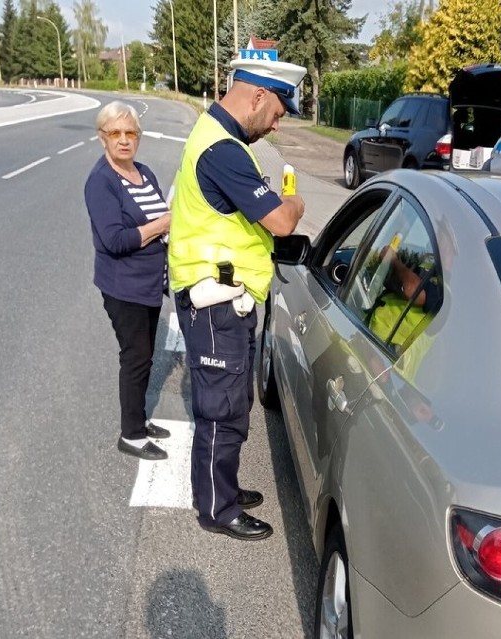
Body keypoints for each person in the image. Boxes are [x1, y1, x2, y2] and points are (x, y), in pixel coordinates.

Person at [168, 58, 307, 541]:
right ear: (256, 96)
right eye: (277, 110)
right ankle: (216, 508)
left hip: (226, 299)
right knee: (220, 407)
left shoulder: (220, 138)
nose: (278, 121)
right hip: (214, 301)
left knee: (231, 400)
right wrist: (295, 203)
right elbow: (282, 221)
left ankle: (221, 486)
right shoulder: (222, 150)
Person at [84, 100, 172, 461]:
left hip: (149, 285)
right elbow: (115, 240)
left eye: (130, 133)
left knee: (145, 356)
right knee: (135, 358)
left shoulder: (145, 173)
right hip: (124, 287)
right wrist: (162, 226)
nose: (124, 140)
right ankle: (131, 434)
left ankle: (138, 419)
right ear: (102, 138)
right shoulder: (101, 182)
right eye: (115, 133)